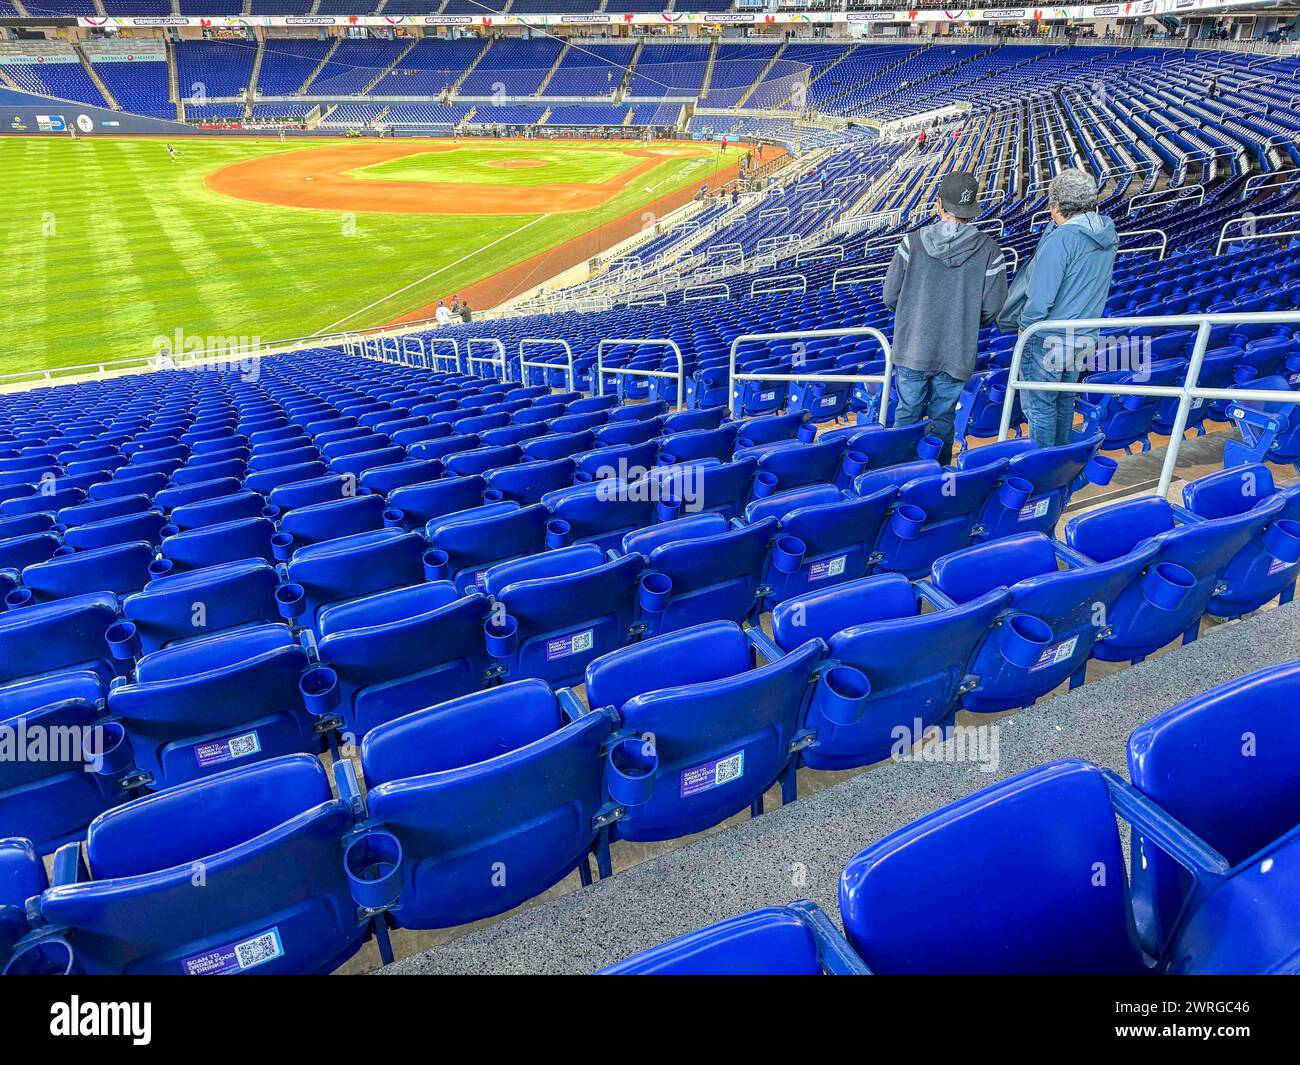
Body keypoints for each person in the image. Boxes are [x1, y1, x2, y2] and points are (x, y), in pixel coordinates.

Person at [882, 172, 1008, 465]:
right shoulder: (990, 250)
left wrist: (916, 313)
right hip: (956, 350)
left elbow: (890, 296)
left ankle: (900, 475)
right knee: (943, 419)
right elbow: (992, 309)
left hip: (912, 346)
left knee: (906, 414)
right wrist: (959, 321)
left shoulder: (911, 242)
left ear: (939, 204)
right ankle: (938, 481)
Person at [998, 168, 1118, 448]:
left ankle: (1044, 469)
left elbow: (1040, 298)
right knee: (1063, 401)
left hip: (1048, 337)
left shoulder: (1062, 239)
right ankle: (1060, 464)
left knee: (1039, 405)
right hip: (1084, 336)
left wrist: (1025, 327)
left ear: (1058, 205)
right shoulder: (1107, 233)